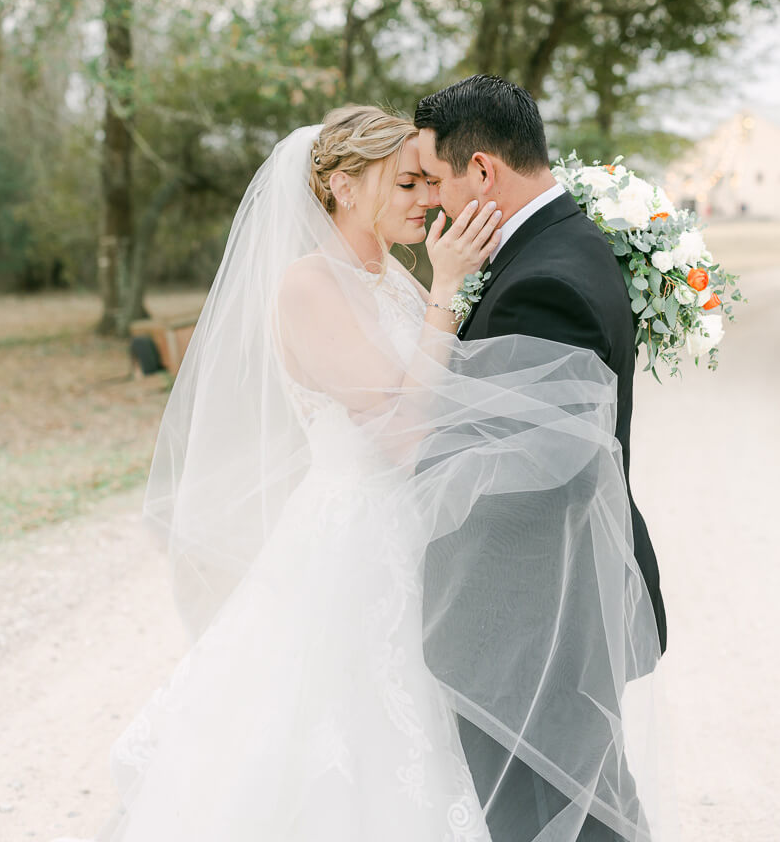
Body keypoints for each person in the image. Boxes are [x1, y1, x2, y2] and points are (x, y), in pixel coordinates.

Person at [70, 105, 663, 842]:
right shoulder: (308, 288)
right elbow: (407, 430)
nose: (426, 199)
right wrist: (448, 293)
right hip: (353, 549)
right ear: (345, 188)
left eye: (427, 181)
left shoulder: (394, 280)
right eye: (407, 182)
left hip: (422, 541)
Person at [415, 75, 667, 841]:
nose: (433, 205)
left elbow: (537, 475)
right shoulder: (560, 242)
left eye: (436, 181)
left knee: (553, 815)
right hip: (547, 608)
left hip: (530, 618)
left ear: (484, 170)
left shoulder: (543, 283)